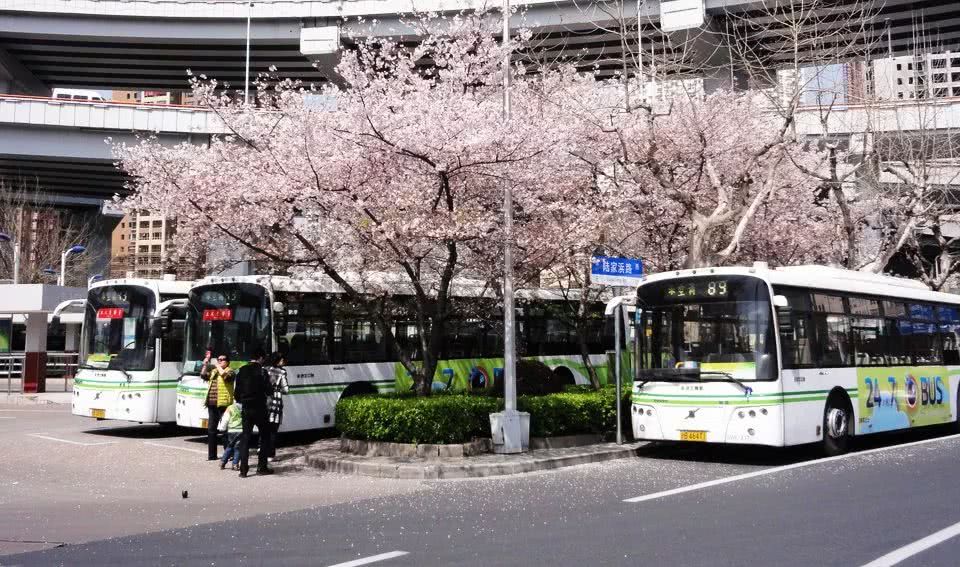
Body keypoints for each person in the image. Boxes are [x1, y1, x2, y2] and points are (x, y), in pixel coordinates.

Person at [233, 349, 272, 477]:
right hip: (260, 408)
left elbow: (236, 394)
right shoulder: (262, 372)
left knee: (246, 438)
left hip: (246, 408)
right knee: (265, 435)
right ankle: (262, 467)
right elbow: (269, 390)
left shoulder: (241, 371)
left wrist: (243, 400)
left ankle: (243, 470)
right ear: (260, 358)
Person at [200, 351, 235, 461]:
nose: (219, 361)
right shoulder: (214, 371)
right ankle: (212, 455)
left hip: (224, 404)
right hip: (212, 403)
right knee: (211, 430)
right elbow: (203, 376)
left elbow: (226, 377)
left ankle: (229, 453)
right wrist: (205, 365)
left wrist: (217, 366)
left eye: (222, 360)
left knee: (225, 430)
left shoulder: (231, 371)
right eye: (218, 360)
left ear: (227, 362)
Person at [264, 352, 289, 461]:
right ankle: (270, 454)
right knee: (273, 429)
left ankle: (262, 450)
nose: (283, 362)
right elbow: (286, 390)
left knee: (264, 428)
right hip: (276, 402)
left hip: (265, 402)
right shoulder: (282, 372)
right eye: (282, 360)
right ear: (278, 361)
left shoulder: (265, 370)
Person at [217, 401, 243, 470]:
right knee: (238, 448)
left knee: (230, 446)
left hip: (231, 430)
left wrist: (222, 428)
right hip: (241, 430)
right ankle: (235, 464)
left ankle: (222, 462)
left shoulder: (230, 408)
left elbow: (225, 419)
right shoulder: (245, 407)